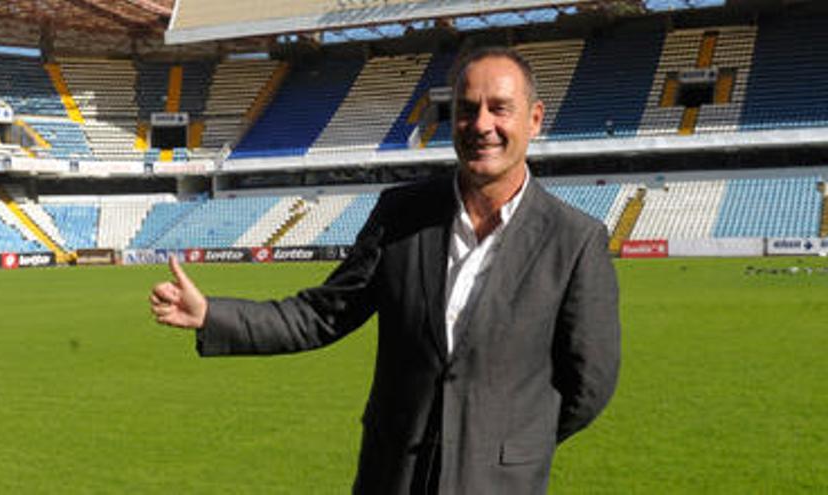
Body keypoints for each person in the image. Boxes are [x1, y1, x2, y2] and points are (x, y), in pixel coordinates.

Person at [150, 46, 621, 495]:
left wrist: (510, 443)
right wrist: (211, 314)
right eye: (466, 108)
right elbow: (323, 314)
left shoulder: (574, 240)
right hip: (391, 475)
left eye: (499, 108)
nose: (481, 125)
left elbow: (590, 382)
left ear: (534, 119)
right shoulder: (401, 214)